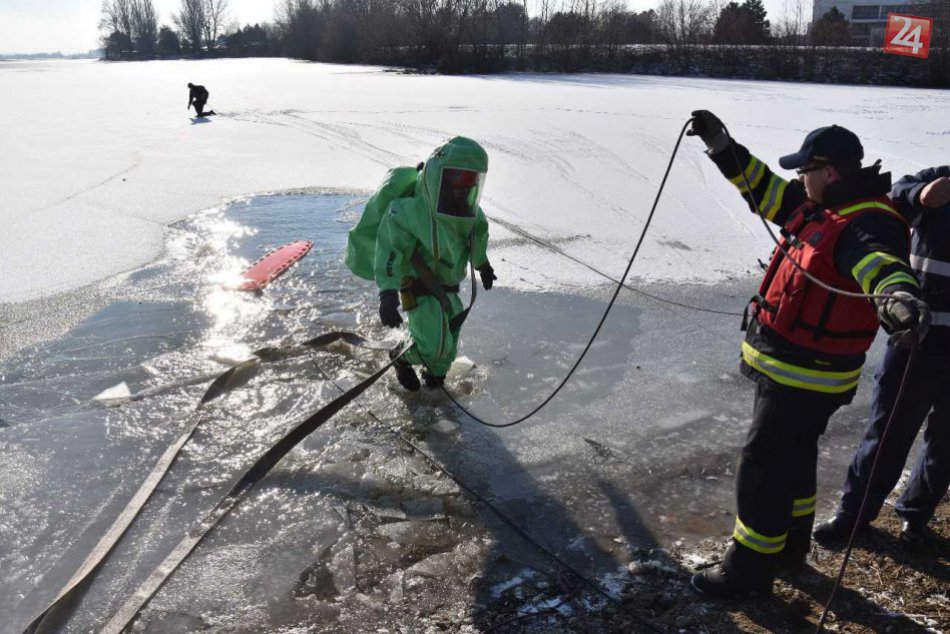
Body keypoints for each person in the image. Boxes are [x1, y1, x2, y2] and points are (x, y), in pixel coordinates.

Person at [686, 110, 929, 599]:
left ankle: (748, 570)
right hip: (795, 372)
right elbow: (763, 188)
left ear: (830, 171)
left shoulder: (869, 223)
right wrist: (720, 144)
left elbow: (881, 266)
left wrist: (898, 299)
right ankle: (791, 548)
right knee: (794, 458)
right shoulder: (825, 207)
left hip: (806, 376)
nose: (799, 177)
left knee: (763, 464)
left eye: (806, 169)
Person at [814, 167, 950, 549]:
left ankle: (915, 517)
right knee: (888, 432)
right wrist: (919, 193)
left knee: (946, 444)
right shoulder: (942, 180)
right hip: (917, 341)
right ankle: (853, 516)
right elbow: (891, 199)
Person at [372, 136, 496, 391]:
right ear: (442, 178)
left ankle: (435, 378)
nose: (465, 188)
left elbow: (477, 239)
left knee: (447, 348)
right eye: (460, 180)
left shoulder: (469, 214)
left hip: (449, 290)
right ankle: (400, 356)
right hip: (419, 288)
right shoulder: (409, 212)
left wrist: (483, 265)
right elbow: (390, 250)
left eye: (471, 181)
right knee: (434, 345)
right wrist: (387, 293)